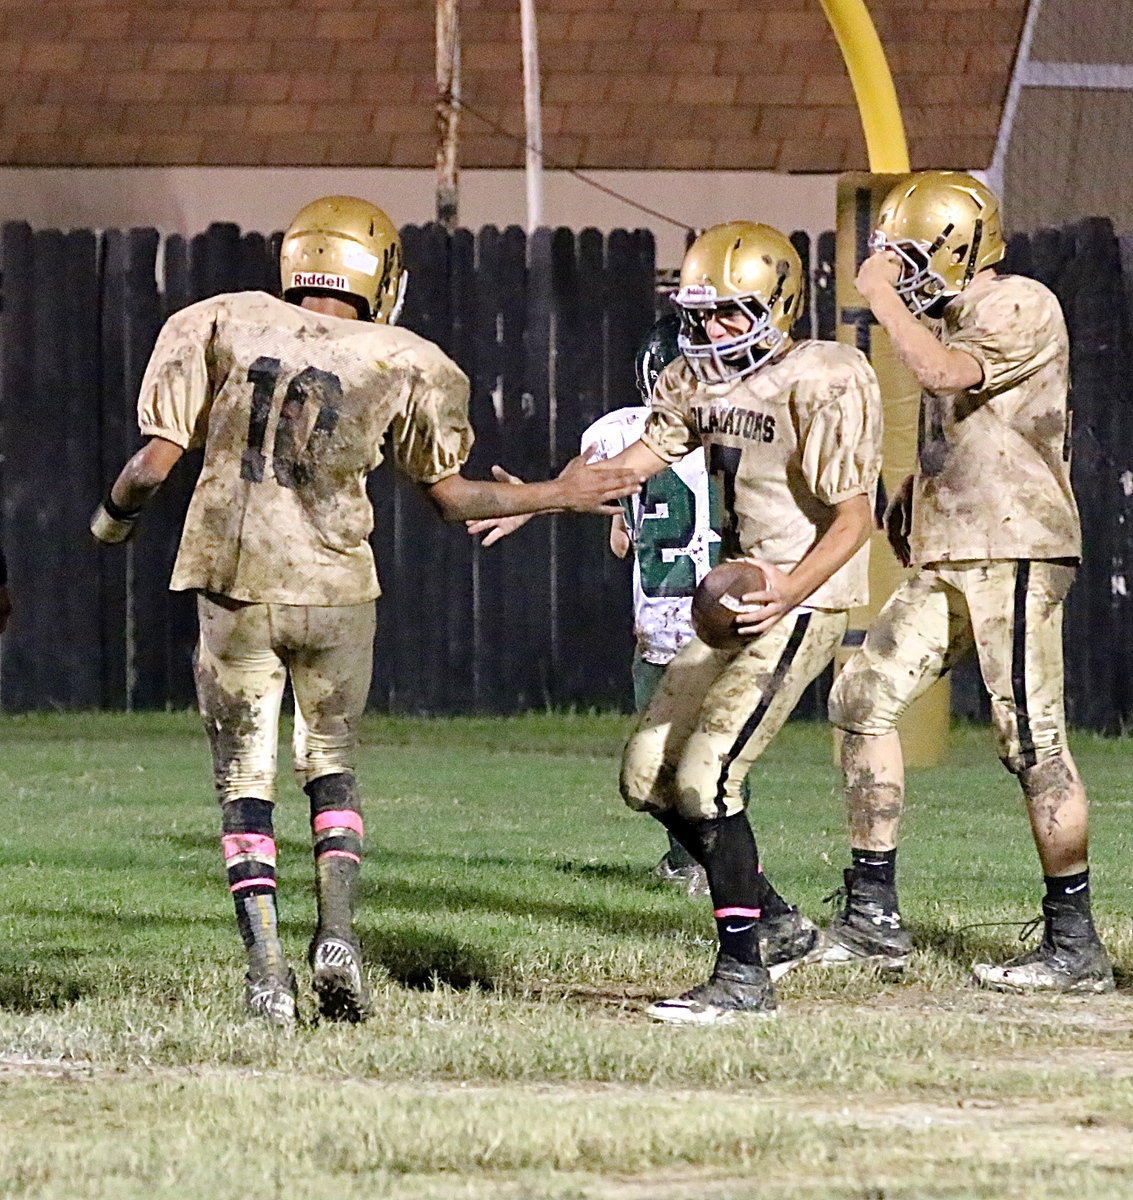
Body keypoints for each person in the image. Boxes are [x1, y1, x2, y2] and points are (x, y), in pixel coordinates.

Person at [90, 196, 640, 1029]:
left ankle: (267, 973)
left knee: (245, 779)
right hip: (337, 587)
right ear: (377, 272)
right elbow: (452, 499)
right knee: (331, 762)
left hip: (235, 581)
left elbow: (150, 465)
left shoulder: (217, 321)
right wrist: (559, 493)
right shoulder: (409, 356)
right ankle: (338, 935)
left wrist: (111, 523)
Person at [474, 221, 883, 1023]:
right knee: (646, 779)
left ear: (779, 302)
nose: (713, 332)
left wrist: (790, 588)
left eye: (732, 313)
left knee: (706, 780)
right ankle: (773, 919)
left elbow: (853, 518)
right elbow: (631, 465)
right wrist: (538, 497)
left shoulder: (827, 376)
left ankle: (742, 978)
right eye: (701, 316)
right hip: (729, 605)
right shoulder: (696, 380)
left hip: (796, 600)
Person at [824, 170, 1113, 994]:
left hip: (1014, 548)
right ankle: (872, 915)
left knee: (1031, 741)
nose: (900, 270)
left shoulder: (1017, 299)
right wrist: (917, 493)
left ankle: (1072, 941)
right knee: (860, 699)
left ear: (958, 244)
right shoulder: (954, 313)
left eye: (913, 256)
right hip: (954, 550)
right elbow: (969, 417)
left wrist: (880, 295)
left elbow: (947, 374)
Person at [470, 314, 722, 897]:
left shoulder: (619, 432)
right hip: (726, 616)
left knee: (664, 757)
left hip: (660, 628)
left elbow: (589, 487)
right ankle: (699, 861)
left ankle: (708, 866)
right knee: (711, 755)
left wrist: (532, 505)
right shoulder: (745, 429)